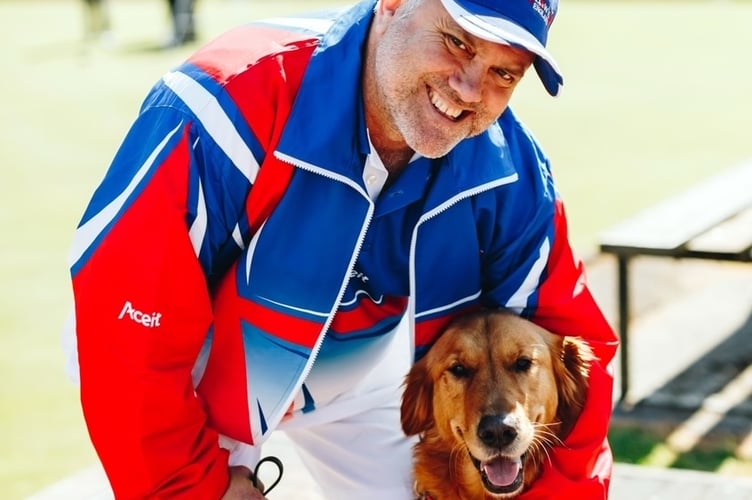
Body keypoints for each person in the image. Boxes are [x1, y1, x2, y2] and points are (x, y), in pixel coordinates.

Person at [64, 0, 619, 498]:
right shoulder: (224, 102)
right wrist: (192, 487)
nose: (470, 90)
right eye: (457, 41)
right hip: (194, 361)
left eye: (504, 73)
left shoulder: (509, 169)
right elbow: (128, 333)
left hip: (361, 364)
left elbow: (574, 343)